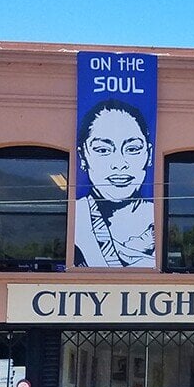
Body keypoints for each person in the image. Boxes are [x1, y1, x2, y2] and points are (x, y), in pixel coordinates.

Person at [74, 99, 155, 268]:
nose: (119, 163)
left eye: (132, 149)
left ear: (148, 154)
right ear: (83, 156)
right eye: (103, 150)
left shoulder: (163, 218)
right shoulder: (75, 215)